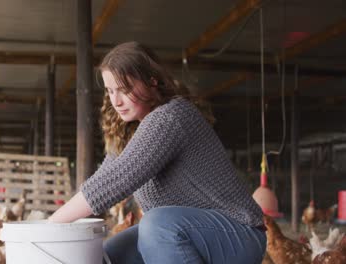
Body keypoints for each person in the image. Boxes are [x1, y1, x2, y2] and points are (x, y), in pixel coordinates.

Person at [49, 41, 266, 264]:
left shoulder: (171, 117)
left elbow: (115, 181)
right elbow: (104, 176)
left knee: (157, 224)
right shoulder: (132, 130)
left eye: (124, 89)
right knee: (109, 255)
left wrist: (49, 227)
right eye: (110, 91)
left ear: (152, 81)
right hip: (192, 231)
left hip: (239, 234)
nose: (116, 101)